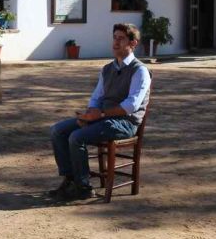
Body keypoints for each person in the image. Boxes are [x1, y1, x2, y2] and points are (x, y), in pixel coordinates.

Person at [48, 23, 151, 201]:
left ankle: (84, 187)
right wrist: (90, 114)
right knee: (58, 130)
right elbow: (96, 97)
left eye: (121, 39)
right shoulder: (107, 69)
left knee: (76, 137)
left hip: (125, 123)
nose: (116, 42)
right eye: (114, 38)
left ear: (133, 43)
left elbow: (131, 105)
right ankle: (71, 180)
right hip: (102, 118)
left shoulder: (139, 71)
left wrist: (100, 115)